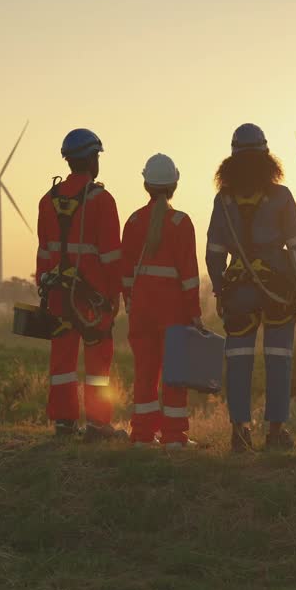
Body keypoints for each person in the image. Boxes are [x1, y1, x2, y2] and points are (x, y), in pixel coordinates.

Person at [205, 123, 296, 452]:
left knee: (238, 360)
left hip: (238, 291)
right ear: (267, 157)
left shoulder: (223, 201)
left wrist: (221, 291)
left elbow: (214, 254)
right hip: (278, 287)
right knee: (279, 358)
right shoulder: (280, 196)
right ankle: (276, 432)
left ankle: (240, 432)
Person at [35, 128, 125, 441]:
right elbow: (112, 256)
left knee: (62, 362)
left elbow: (44, 252)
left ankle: (63, 423)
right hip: (93, 299)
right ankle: (98, 425)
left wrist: (44, 291)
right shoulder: (102, 200)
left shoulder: (48, 200)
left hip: (58, 295)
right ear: (90, 159)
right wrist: (115, 296)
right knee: (98, 363)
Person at [120, 153, 203, 450]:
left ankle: (142, 435)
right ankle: (174, 437)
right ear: (174, 185)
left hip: (140, 309)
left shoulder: (132, 221)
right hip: (173, 311)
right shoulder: (181, 223)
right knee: (174, 375)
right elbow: (190, 277)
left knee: (144, 373)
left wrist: (129, 302)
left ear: (146, 184)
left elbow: (125, 272)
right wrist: (195, 313)